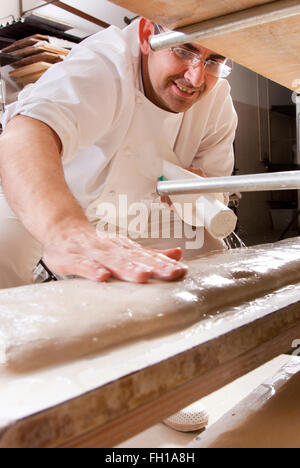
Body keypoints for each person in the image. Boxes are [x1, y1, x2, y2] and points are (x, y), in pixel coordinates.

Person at [0, 17, 237, 431]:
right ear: (147, 35)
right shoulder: (104, 62)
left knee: (197, 261)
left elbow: (215, 196)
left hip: (136, 207)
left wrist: (199, 191)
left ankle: (163, 380)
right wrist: (65, 230)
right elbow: (25, 133)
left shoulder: (217, 101)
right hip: (42, 200)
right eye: (183, 50)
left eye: (214, 60)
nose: (196, 77)